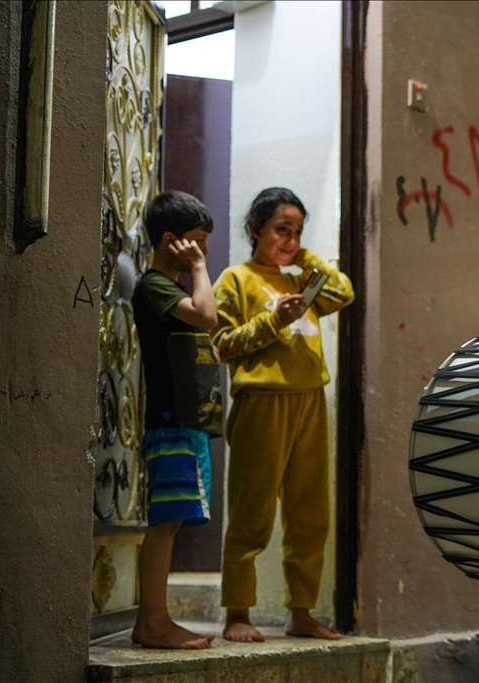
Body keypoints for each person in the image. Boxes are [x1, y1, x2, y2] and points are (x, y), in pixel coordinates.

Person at [212, 187, 354, 642]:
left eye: (296, 231)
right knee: (251, 510)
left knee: (311, 514)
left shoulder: (300, 280)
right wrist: (275, 320)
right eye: (280, 230)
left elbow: (344, 292)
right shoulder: (235, 278)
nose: (289, 240)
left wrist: (306, 256)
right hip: (262, 402)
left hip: (310, 397)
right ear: (255, 229)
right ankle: (237, 611)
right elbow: (222, 344)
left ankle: (302, 610)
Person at [131, 190, 221, 649]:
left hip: (184, 419)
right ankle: (153, 623)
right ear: (171, 240)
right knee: (164, 522)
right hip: (168, 420)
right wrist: (202, 271)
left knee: (174, 519)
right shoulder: (154, 285)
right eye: (197, 241)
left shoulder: (170, 288)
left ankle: (153, 620)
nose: (202, 251)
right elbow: (207, 315)